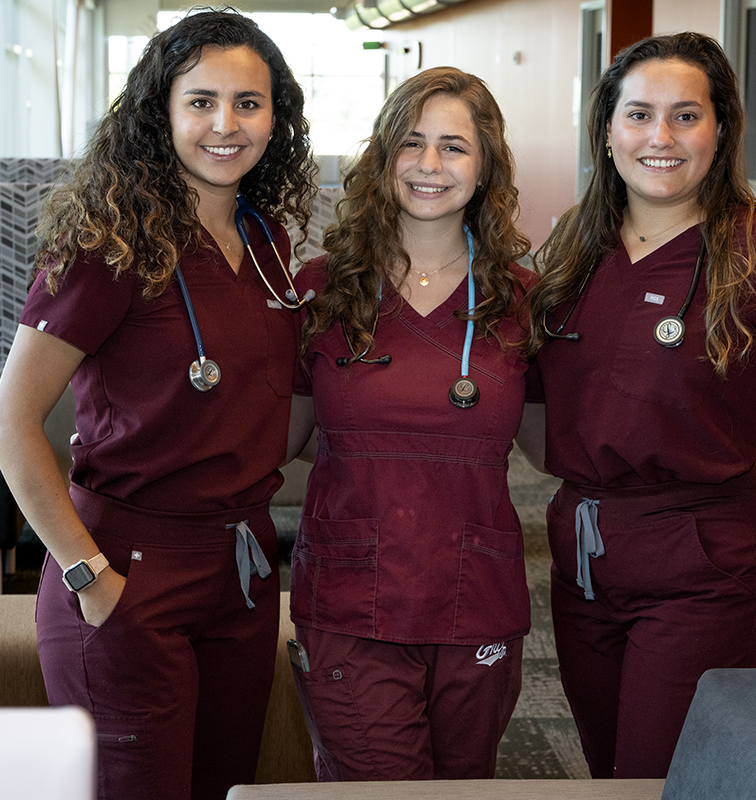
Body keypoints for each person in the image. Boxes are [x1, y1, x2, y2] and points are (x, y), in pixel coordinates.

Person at [524, 32, 756, 780]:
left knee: (662, 778)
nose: (660, 137)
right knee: (609, 775)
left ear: (721, 131)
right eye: (639, 114)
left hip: (708, 562)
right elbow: (540, 414)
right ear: (607, 131)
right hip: (584, 553)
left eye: (686, 115)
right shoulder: (567, 250)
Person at [0, 11, 317, 800]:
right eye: (200, 101)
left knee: (223, 786)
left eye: (249, 102)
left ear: (278, 117)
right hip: (128, 566)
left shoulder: (264, 241)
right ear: (160, 111)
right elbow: (9, 422)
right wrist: (87, 573)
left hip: (242, 572)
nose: (225, 124)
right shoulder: (108, 244)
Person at [285, 67, 538, 782]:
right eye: (412, 143)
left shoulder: (524, 299)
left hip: (476, 599)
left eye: (454, 147)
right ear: (382, 155)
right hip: (349, 595)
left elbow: (563, 443)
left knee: (464, 789)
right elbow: (278, 438)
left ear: (485, 165)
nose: (430, 166)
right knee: (375, 788)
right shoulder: (321, 288)